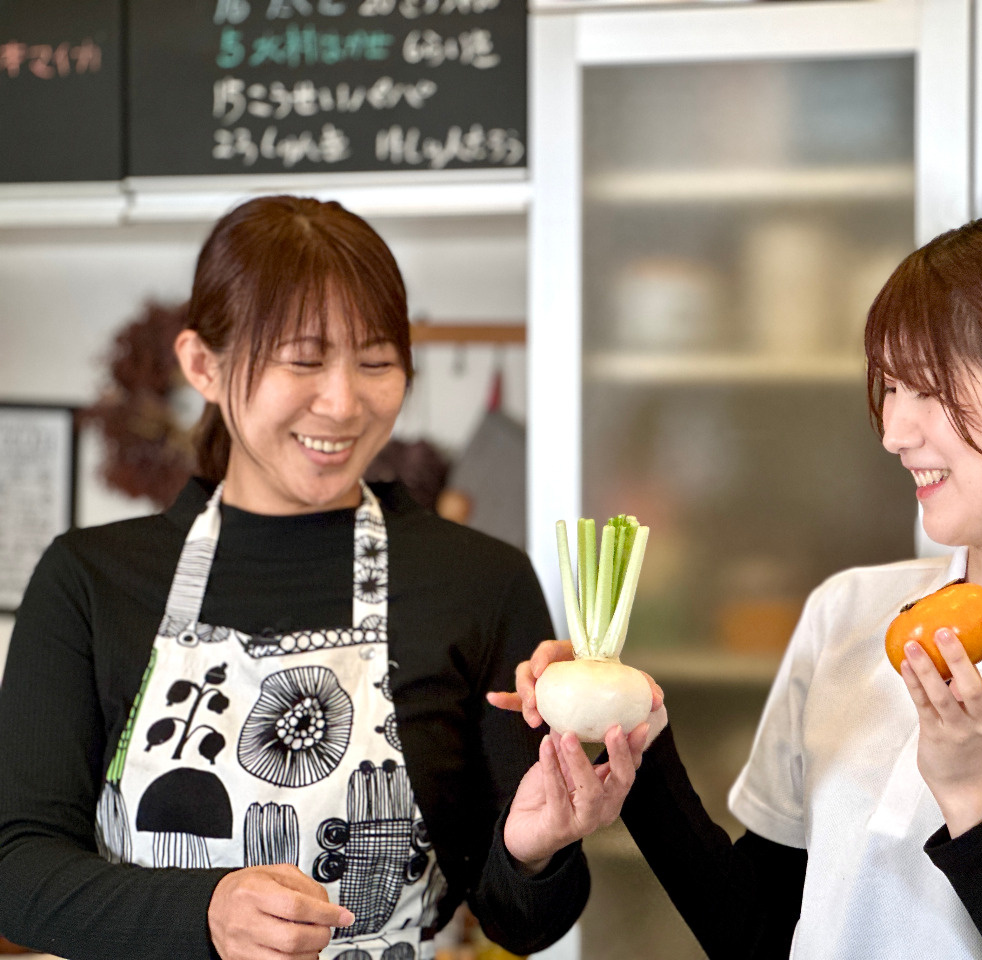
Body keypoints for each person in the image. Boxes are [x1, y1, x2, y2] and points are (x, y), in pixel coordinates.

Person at [494, 205, 982, 958]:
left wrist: (972, 795)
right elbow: (761, 937)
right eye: (893, 388)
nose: (896, 431)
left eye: (932, 390)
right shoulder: (847, 613)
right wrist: (632, 736)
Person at [0, 195, 645, 960]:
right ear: (203, 365)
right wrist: (205, 913)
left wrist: (535, 849)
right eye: (303, 361)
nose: (343, 404)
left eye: (376, 362)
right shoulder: (91, 580)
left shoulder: (481, 583)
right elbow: (17, 868)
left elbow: (523, 922)